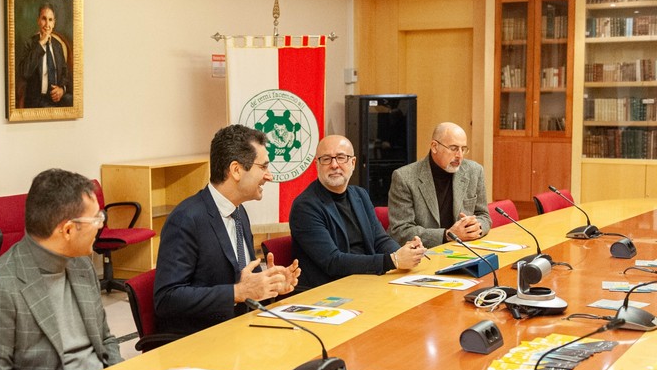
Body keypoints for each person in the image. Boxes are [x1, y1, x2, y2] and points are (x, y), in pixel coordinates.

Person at [0, 169, 123, 370]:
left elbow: (105, 340)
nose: (101, 226)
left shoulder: (81, 264)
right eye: (97, 219)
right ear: (68, 230)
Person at [154, 124, 301, 336]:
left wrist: (269, 283)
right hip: (201, 339)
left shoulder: (240, 213)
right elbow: (167, 299)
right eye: (263, 167)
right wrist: (236, 293)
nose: (269, 176)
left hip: (241, 330)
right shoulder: (186, 219)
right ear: (236, 170)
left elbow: (239, 277)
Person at [290, 135, 427, 291]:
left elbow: (380, 240)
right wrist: (393, 260)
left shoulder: (360, 195)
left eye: (341, 158)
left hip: (366, 281)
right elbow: (333, 262)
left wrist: (405, 253)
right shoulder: (305, 206)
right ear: (317, 164)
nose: (334, 165)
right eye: (326, 159)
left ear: (353, 163)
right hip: (328, 290)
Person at [388, 122, 491, 248]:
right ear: (434, 146)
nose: (460, 155)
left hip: (465, 251)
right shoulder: (404, 178)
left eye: (463, 149)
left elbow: (484, 216)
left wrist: (477, 227)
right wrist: (447, 235)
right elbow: (400, 231)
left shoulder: (474, 171)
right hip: (424, 254)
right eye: (453, 148)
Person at [18, 3, 71, 107]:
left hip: (57, 98)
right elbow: (24, 72)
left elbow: (65, 73)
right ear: (38, 21)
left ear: (54, 23)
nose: (47, 24)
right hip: (38, 99)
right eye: (44, 19)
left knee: (73, 102)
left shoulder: (57, 45)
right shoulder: (29, 43)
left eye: (50, 20)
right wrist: (41, 44)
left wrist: (62, 89)